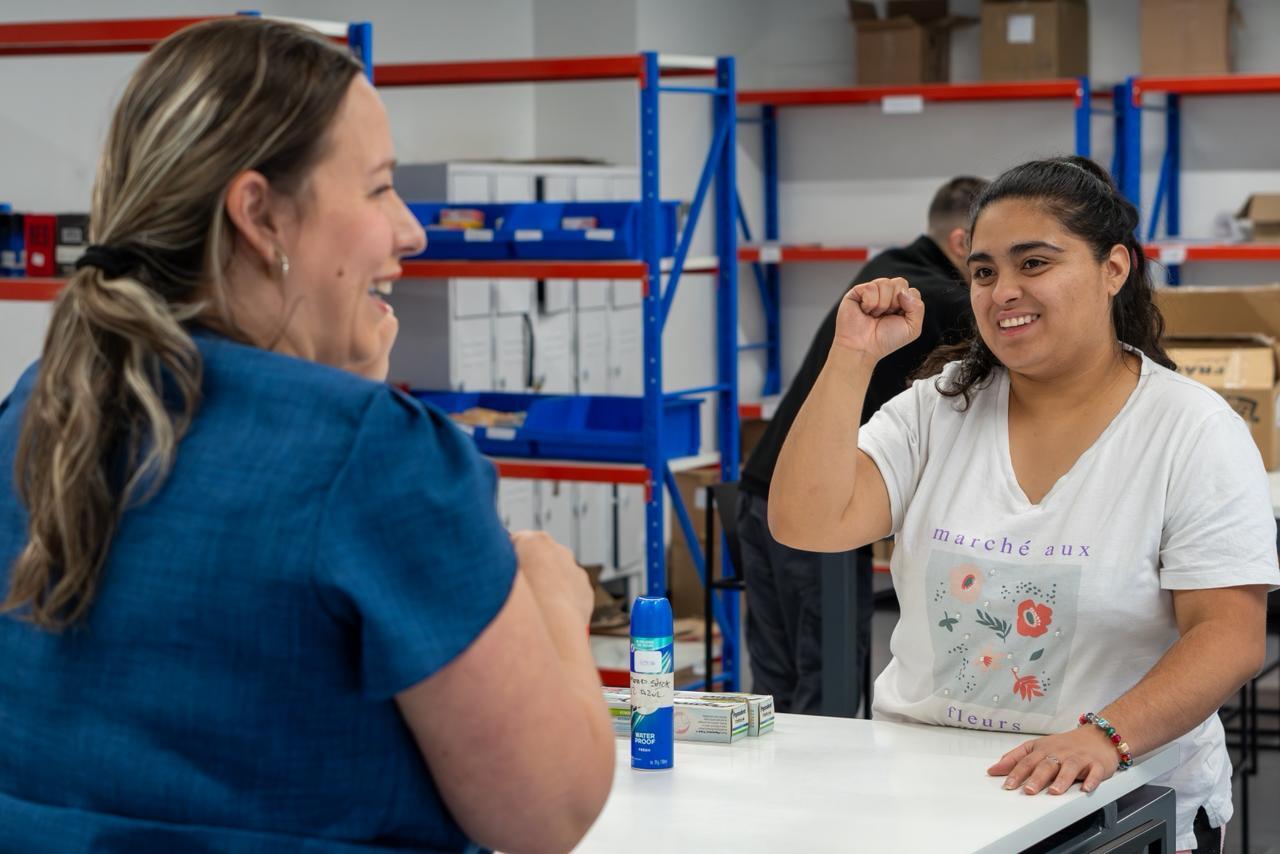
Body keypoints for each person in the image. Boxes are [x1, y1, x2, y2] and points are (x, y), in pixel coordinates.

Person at [0, 18, 613, 853]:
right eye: (377, 188)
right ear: (259, 214)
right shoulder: (378, 458)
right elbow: (550, 809)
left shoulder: (40, 413)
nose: (412, 230)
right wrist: (556, 604)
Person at [769, 155, 1278, 852]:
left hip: (1118, 805)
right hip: (927, 802)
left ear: (1114, 269)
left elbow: (1228, 634)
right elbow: (806, 521)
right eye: (983, 272)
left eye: (1033, 264)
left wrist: (1106, 736)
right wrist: (851, 355)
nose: (1002, 290)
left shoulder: (1189, 429)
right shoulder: (938, 409)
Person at [738, 176, 988, 715]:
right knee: (825, 686)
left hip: (762, 494)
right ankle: (816, 798)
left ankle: (782, 796)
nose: (1001, 283)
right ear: (963, 242)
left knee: (777, 690)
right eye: (990, 265)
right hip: (812, 503)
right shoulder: (920, 292)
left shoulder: (889, 267)